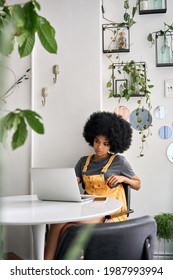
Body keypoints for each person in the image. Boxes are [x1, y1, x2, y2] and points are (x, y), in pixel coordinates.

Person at [44, 111, 141, 259]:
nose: (99, 147)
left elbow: (137, 184)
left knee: (60, 223)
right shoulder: (83, 162)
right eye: (97, 141)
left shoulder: (119, 161)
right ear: (91, 139)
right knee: (64, 227)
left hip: (111, 212)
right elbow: (71, 184)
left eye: (105, 144)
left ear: (113, 144)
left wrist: (123, 179)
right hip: (88, 208)